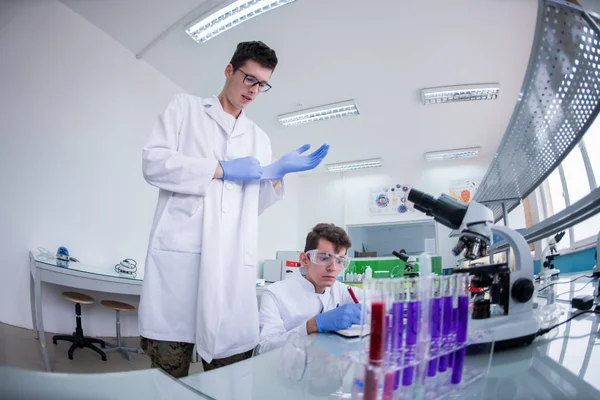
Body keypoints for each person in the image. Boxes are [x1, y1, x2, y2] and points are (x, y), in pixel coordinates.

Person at [138, 41, 329, 377]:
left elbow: (250, 207)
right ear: (229, 71)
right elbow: (154, 164)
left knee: (229, 378)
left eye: (262, 84)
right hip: (181, 263)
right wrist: (220, 169)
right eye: (249, 79)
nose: (254, 90)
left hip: (230, 270)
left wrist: (276, 174)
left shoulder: (258, 138)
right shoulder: (185, 109)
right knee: (167, 377)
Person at [256, 223, 362, 355]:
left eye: (340, 261)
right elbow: (265, 349)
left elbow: (373, 298)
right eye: (324, 258)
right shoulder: (274, 294)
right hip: (287, 370)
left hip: (327, 366)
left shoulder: (339, 289)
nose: (333, 268)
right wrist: (312, 325)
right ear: (305, 260)